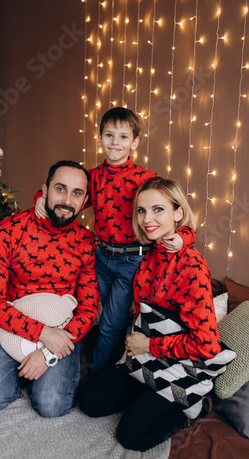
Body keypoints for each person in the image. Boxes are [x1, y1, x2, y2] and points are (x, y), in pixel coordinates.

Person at [35, 108, 194, 373]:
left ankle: (97, 373)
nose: (115, 143)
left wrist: (182, 237)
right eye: (109, 135)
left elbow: (180, 218)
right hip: (100, 256)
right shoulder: (92, 178)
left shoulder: (146, 179)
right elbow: (65, 196)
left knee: (110, 321)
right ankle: (75, 358)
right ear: (99, 138)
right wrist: (39, 199)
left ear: (134, 143)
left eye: (123, 137)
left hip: (130, 260)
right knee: (87, 310)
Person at [78, 176, 221, 452]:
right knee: (89, 401)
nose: (146, 218)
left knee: (132, 436)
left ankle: (196, 406)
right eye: (141, 210)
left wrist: (150, 345)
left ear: (177, 213)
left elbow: (207, 345)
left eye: (158, 209)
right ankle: (146, 390)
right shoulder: (149, 251)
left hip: (178, 362)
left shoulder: (192, 268)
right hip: (143, 357)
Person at [0, 160, 99, 418]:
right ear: (44, 190)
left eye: (77, 193)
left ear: (85, 199)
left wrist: (47, 353)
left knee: (52, 406)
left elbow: (88, 308)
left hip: (62, 330)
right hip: (14, 325)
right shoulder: (5, 232)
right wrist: (41, 333)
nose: (67, 200)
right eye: (60, 189)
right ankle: (24, 368)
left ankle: (37, 370)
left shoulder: (87, 243)